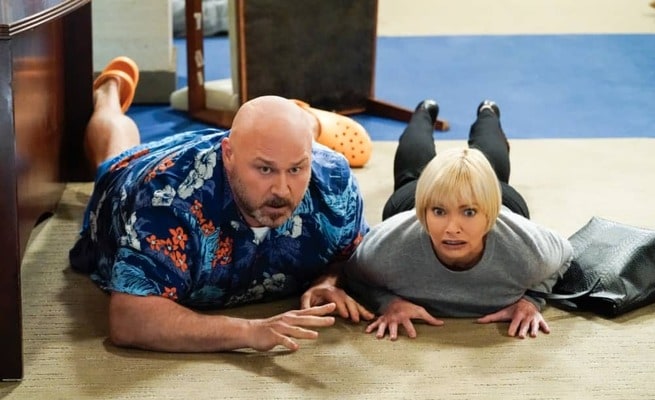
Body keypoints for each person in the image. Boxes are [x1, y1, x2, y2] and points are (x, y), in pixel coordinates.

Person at [70, 56, 374, 353]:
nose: (282, 190)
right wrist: (249, 331)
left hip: (251, 146)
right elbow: (130, 319)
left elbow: (355, 253)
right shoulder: (166, 202)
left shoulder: (333, 181)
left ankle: (299, 121)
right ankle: (107, 93)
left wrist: (329, 280)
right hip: (138, 175)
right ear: (228, 154)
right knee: (114, 156)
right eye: (265, 169)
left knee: (276, 146)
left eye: (296, 169)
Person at [343, 99, 573, 340]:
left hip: (496, 199)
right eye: (439, 213)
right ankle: (424, 112)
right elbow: (352, 274)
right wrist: (388, 303)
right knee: (411, 175)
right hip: (416, 199)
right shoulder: (388, 246)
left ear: (490, 215)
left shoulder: (526, 248)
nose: (452, 229)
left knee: (493, 169)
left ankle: (488, 112)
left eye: (469, 213)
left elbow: (566, 254)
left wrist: (532, 300)